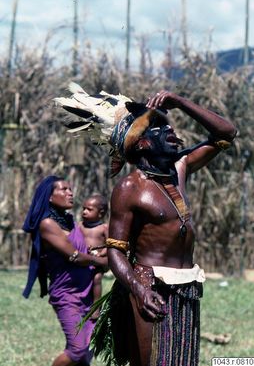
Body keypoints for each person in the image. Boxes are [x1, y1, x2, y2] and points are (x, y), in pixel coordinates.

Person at [55, 86, 236, 366]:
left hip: (187, 286)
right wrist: (140, 291)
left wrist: (179, 100)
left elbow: (226, 133)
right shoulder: (130, 187)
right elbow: (116, 251)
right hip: (150, 286)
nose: (173, 132)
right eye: (161, 128)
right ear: (142, 143)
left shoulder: (179, 168)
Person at [22, 176, 108, 366]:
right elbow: (74, 256)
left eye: (70, 188)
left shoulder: (70, 221)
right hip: (67, 295)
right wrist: (102, 260)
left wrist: (104, 258)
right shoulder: (47, 225)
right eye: (64, 189)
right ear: (50, 197)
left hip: (87, 293)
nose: (70, 192)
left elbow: (93, 252)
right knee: (77, 350)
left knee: (87, 352)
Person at [79, 194, 108, 320]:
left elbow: (110, 243)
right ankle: (81, 303)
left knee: (96, 279)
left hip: (99, 262)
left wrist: (102, 253)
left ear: (100, 213)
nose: (84, 212)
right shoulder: (80, 225)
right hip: (83, 260)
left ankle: (96, 307)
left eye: (89, 209)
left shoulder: (104, 227)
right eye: (84, 208)